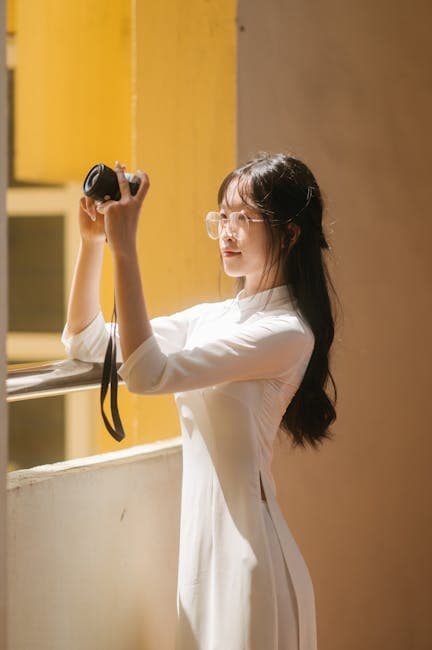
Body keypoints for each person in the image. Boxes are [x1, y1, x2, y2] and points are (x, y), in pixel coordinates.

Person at [62, 152, 338, 650]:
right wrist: (94, 244)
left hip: (249, 561)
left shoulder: (286, 332)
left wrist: (128, 250)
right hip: (202, 557)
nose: (228, 232)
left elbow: (147, 375)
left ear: (291, 232)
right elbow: (87, 343)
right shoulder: (215, 318)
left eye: (243, 218)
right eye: (222, 217)